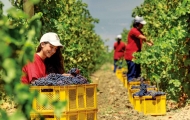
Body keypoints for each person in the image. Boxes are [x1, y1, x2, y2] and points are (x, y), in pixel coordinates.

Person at [125, 16, 153, 81]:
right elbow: (142, 37)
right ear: (137, 24)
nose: (143, 25)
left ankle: (137, 86)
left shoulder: (139, 31)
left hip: (137, 55)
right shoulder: (133, 31)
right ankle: (131, 86)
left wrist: (149, 44)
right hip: (131, 55)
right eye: (141, 24)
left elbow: (144, 39)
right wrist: (150, 40)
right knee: (132, 73)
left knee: (137, 72)